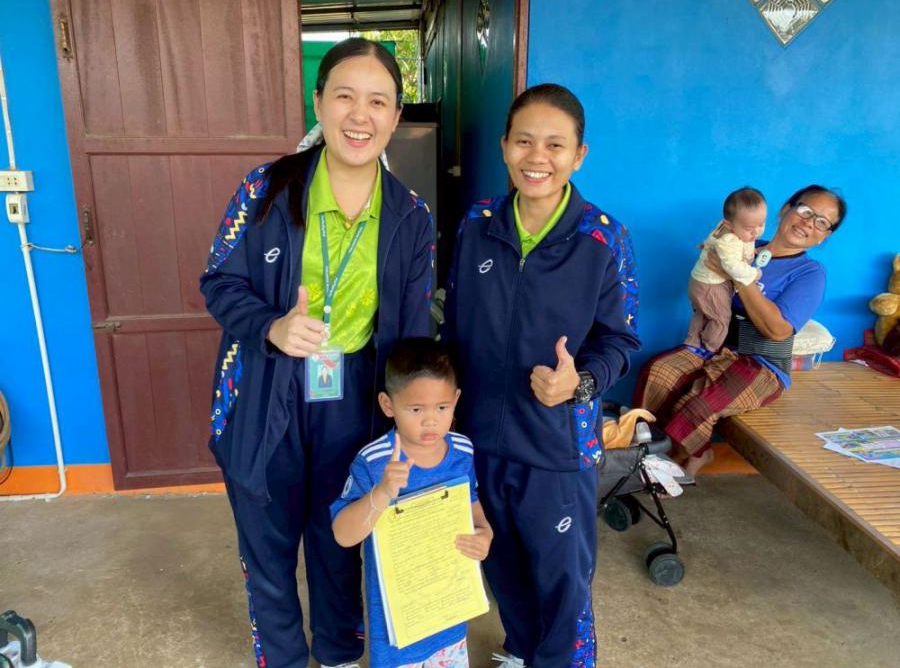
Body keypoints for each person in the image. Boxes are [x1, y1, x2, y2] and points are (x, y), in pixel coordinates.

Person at [200, 38, 435, 668]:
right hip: (265, 385)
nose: (360, 116)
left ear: (395, 116)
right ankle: (282, 658)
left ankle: (337, 651)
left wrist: (415, 418)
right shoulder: (266, 189)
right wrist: (271, 326)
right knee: (267, 539)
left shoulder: (411, 217)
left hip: (354, 392)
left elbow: (413, 332)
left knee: (340, 532)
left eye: (378, 102)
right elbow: (218, 281)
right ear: (318, 102)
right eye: (345, 97)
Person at [442, 83, 641, 668]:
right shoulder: (477, 223)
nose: (537, 157)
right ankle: (522, 651)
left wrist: (580, 383)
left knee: (562, 582)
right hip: (479, 437)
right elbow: (454, 326)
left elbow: (622, 340)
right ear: (504, 146)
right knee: (500, 563)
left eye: (555, 145)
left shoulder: (603, 238)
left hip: (557, 445)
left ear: (579, 155)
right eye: (524, 141)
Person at [635, 185, 846, 475]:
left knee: (697, 406)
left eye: (822, 222)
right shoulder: (740, 244)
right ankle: (644, 457)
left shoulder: (810, 273)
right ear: (786, 209)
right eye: (806, 211)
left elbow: (778, 330)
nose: (809, 223)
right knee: (659, 373)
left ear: (825, 236)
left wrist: (739, 275)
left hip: (761, 363)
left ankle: (682, 460)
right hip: (714, 346)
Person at [331, 337, 492, 667]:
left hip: (450, 614)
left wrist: (485, 533)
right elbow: (343, 535)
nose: (430, 420)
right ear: (388, 405)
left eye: (442, 408)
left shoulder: (462, 450)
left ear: (456, 400)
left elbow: (471, 502)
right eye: (416, 409)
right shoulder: (374, 462)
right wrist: (382, 492)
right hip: (398, 626)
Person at [685, 187, 767, 352]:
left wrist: (752, 250)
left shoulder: (732, 229)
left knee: (703, 313)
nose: (757, 232)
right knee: (721, 319)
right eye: (750, 229)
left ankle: (692, 344)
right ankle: (709, 349)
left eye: (761, 224)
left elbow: (735, 246)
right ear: (729, 224)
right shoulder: (730, 240)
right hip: (711, 286)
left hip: (700, 282)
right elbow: (734, 267)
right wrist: (755, 273)